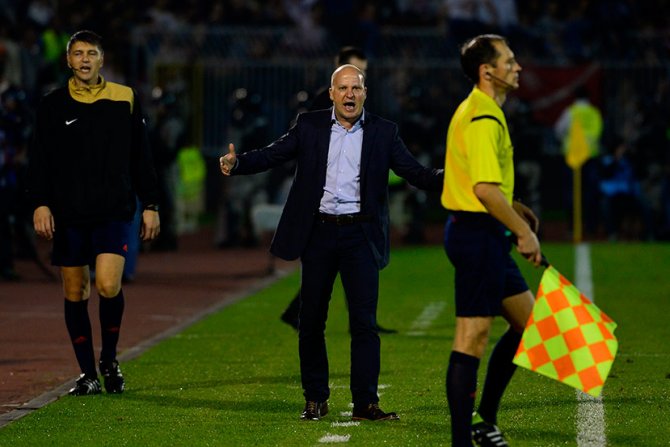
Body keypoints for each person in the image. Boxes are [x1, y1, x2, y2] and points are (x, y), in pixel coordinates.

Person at [220, 64, 443, 421]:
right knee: (311, 321)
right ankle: (315, 398)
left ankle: (366, 403)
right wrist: (238, 162)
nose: (350, 94)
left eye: (356, 88)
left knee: (364, 324)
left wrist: (454, 177)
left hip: (361, 235)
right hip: (319, 233)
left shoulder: (385, 132)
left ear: (365, 94)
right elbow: (274, 153)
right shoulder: (309, 125)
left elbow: (415, 173)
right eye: (343, 88)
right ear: (332, 93)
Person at [28, 30, 160, 396]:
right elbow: (39, 158)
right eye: (78, 53)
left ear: (102, 59)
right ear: (68, 60)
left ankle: (110, 359)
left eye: (92, 53)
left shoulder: (124, 98)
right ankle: (87, 373)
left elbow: (141, 157)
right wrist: (39, 202)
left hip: (113, 210)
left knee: (107, 284)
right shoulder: (52, 104)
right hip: (69, 212)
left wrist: (150, 204)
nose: (85, 59)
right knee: (75, 290)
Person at [441, 34, 542, 446]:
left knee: (528, 324)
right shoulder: (482, 117)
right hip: (476, 235)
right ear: (488, 71)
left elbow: (482, 182)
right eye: (510, 61)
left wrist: (513, 208)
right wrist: (524, 232)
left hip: (485, 233)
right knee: (472, 336)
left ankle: (484, 420)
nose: (517, 67)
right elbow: (483, 189)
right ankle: (462, 440)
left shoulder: (482, 110)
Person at [280, 46, 396, 334]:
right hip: (323, 207)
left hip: (353, 212)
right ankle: (305, 314)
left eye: (361, 78)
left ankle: (358, 319)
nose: (351, 92)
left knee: (344, 272)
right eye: (345, 83)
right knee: (328, 279)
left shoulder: (364, 111)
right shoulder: (322, 105)